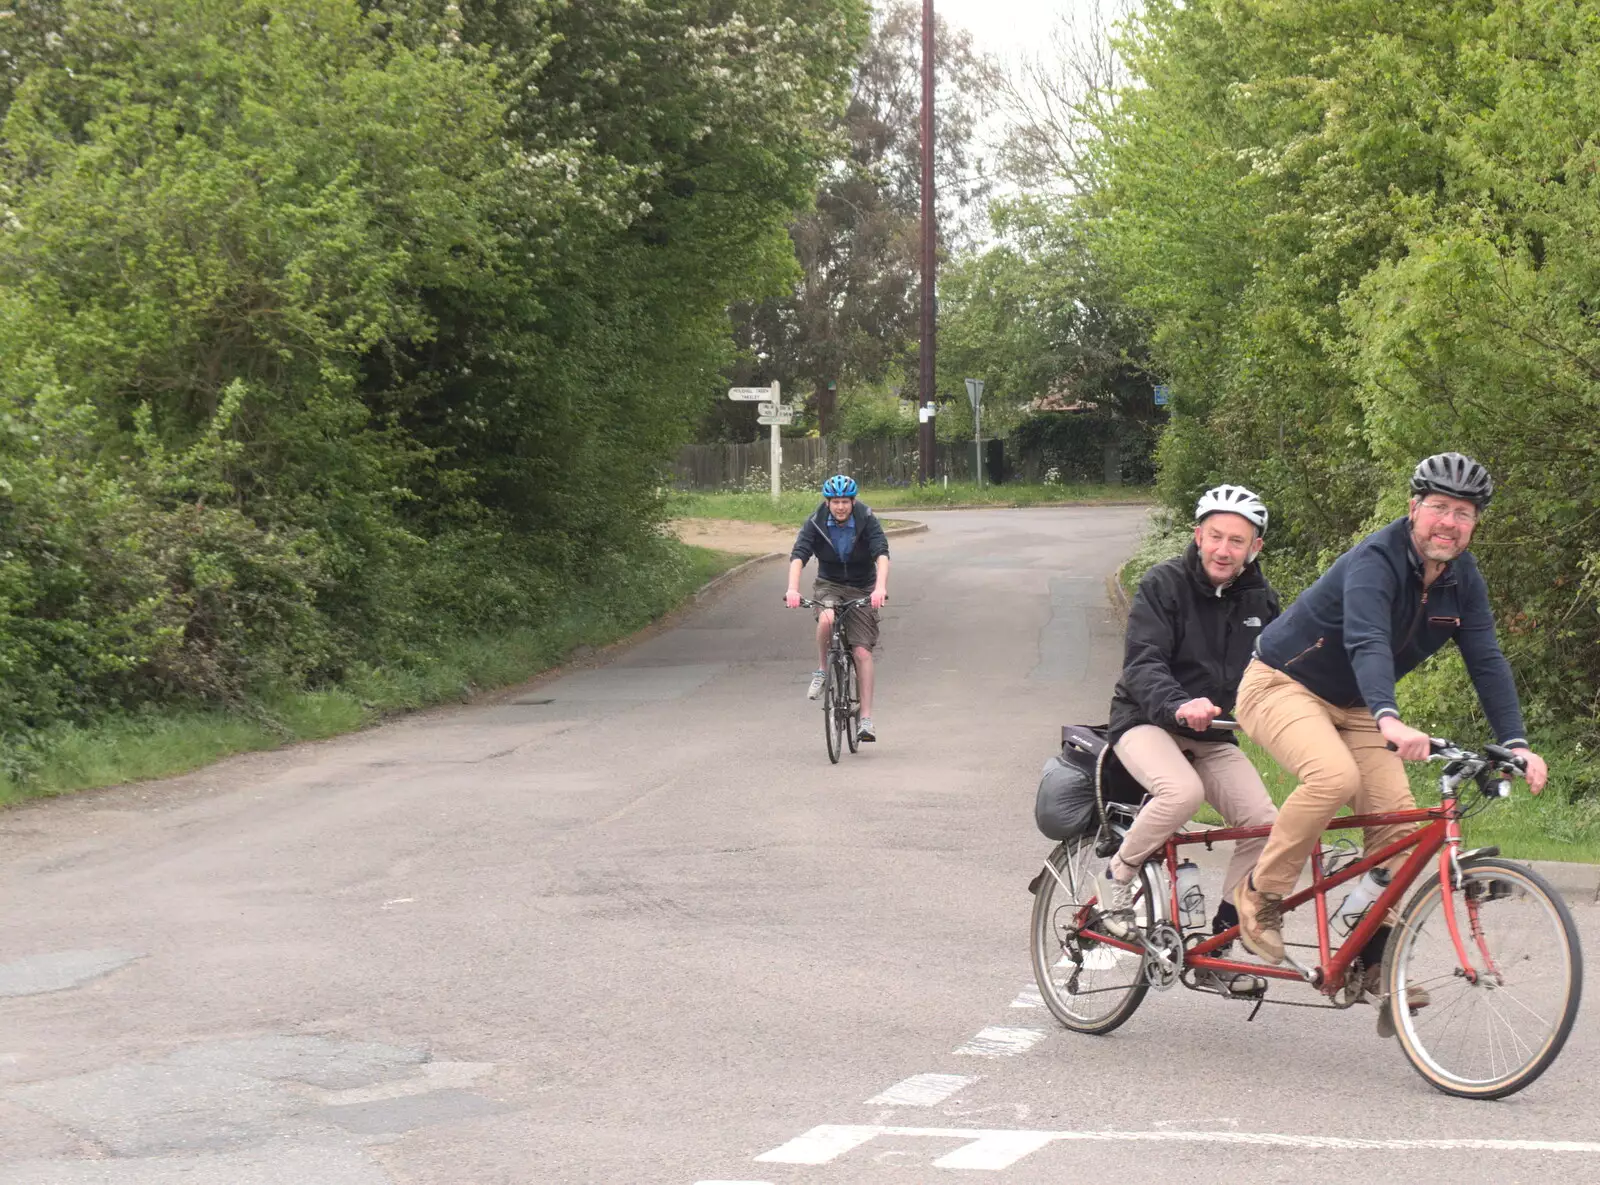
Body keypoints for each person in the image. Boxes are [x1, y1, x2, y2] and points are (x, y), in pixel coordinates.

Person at [1231, 452, 1548, 1031]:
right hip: (1281, 682)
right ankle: (1260, 895)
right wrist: (1389, 717)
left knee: (1401, 828)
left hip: (1355, 708)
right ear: (1414, 509)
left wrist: (1517, 740)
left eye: (1464, 513)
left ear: (1475, 524)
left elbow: (1486, 659)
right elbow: (1368, 641)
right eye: (1439, 508)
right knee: (1332, 777)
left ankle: (1371, 959)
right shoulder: (1375, 560)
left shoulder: (1462, 580)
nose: (1449, 522)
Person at [1098, 485, 1282, 996]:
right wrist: (1179, 702)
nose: (1224, 549)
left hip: (1214, 735)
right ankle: (1119, 878)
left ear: (1254, 549)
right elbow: (1143, 663)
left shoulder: (1261, 601)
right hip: (1147, 721)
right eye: (1216, 536)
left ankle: (1216, 948)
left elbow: (1287, 668)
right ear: (1198, 535)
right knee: (1182, 793)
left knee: (1264, 824)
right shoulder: (1163, 584)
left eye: (1237, 541)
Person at [785, 475, 890, 741]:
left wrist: (879, 588)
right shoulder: (816, 522)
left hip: (861, 587)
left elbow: (881, 553)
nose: (840, 507)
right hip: (829, 584)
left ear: (853, 501)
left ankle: (865, 719)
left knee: (862, 652)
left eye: (845, 501)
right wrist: (792, 589)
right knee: (827, 619)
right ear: (827, 502)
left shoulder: (866, 519)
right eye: (835, 502)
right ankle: (822, 669)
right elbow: (799, 555)